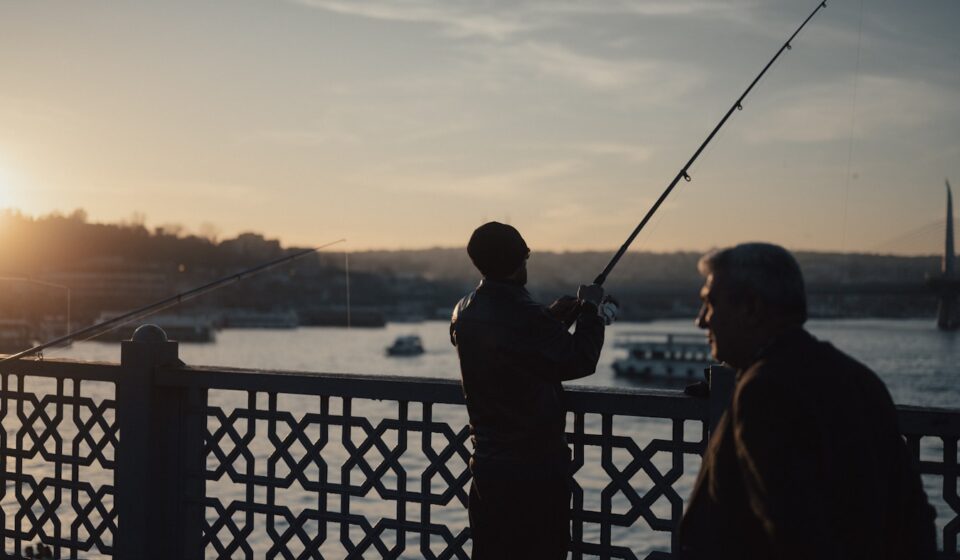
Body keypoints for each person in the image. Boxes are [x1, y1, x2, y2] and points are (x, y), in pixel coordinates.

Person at [678, 242, 937, 560]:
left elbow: (795, 535)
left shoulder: (764, 392)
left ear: (752, 308)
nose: (701, 321)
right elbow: (913, 515)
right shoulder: (859, 379)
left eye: (710, 304)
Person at [450, 221, 616, 559]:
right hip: (535, 469)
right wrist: (590, 313)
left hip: (486, 465)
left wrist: (549, 318)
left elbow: (505, 346)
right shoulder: (527, 316)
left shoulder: (463, 311)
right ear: (519, 260)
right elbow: (578, 359)